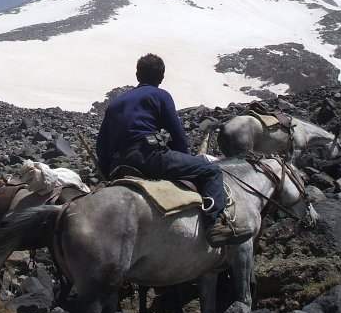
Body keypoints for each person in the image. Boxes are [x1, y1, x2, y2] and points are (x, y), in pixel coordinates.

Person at [96, 54, 240, 247]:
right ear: (161, 77)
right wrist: (183, 159)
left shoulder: (115, 103)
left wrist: (109, 174)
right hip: (147, 157)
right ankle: (215, 225)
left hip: (118, 164)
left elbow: (101, 148)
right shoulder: (160, 96)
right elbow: (179, 137)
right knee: (211, 170)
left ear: (137, 75)